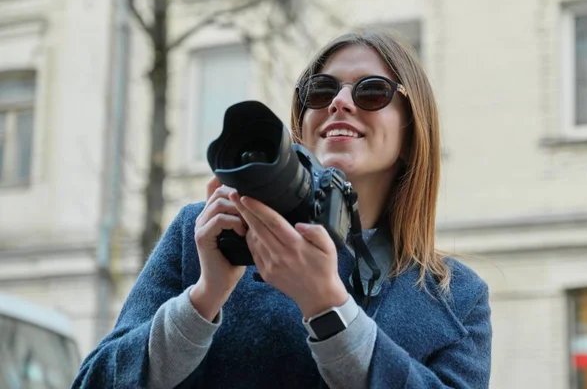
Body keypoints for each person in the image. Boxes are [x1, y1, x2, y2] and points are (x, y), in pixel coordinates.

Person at [72, 27, 492, 389]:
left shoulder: (457, 298)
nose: (339, 102)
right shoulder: (206, 233)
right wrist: (204, 297)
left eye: (371, 92)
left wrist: (329, 307)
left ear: (411, 132)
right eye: (321, 90)